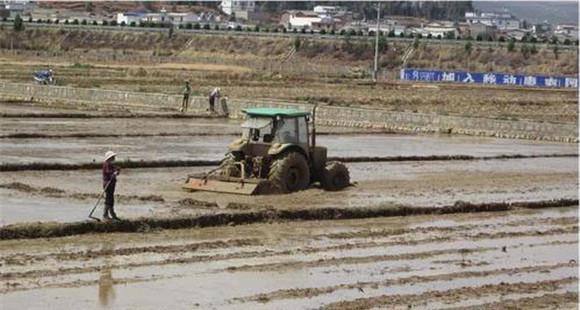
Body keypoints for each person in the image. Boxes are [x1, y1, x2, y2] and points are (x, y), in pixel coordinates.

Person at [102, 151, 121, 220]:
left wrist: (117, 170)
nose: (114, 158)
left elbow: (115, 170)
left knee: (111, 199)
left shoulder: (111, 164)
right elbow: (108, 172)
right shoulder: (106, 164)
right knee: (108, 199)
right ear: (109, 158)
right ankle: (106, 214)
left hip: (112, 184)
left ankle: (112, 214)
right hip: (108, 184)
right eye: (112, 157)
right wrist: (114, 172)